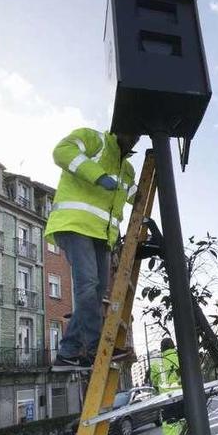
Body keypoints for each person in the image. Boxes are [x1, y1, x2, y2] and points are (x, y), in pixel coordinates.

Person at [46, 127, 139, 370]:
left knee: (96, 294)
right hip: (75, 225)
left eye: (137, 136)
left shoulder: (127, 169)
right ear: (119, 129)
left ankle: (70, 352)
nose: (134, 138)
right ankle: (97, 347)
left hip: (102, 235)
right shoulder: (93, 140)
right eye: (131, 133)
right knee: (87, 286)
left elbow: (132, 195)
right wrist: (97, 175)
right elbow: (62, 151)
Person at [151, 337, 188, 435]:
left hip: (168, 405)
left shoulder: (156, 364)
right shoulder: (182, 358)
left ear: (162, 350)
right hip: (185, 401)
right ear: (173, 346)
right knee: (189, 432)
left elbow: (155, 383)